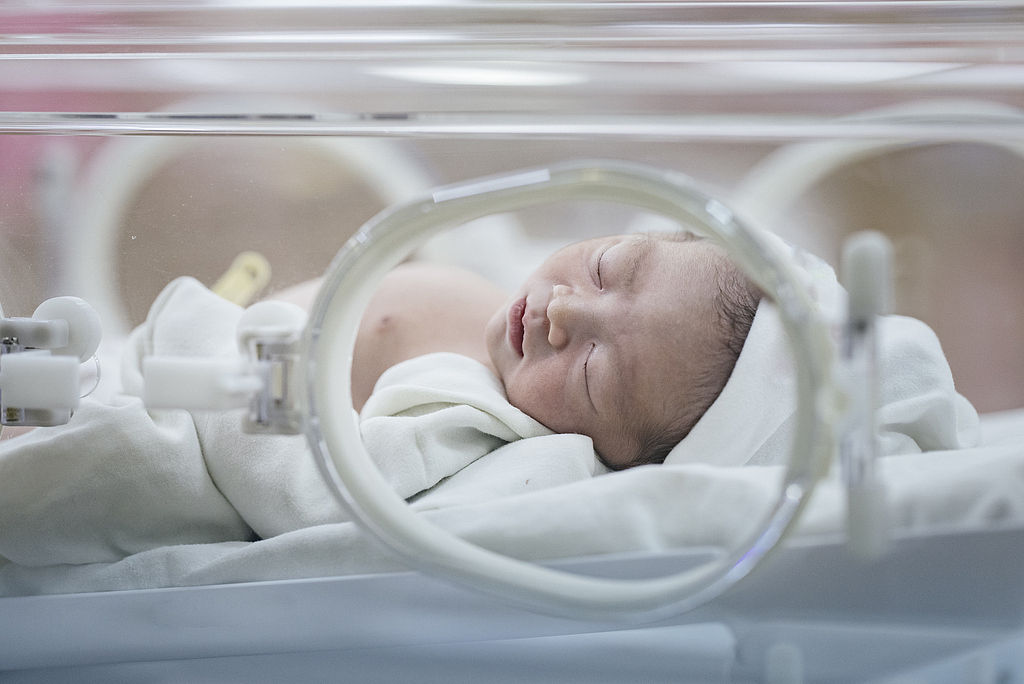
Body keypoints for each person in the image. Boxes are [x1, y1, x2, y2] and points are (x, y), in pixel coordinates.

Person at [342, 230, 761, 471]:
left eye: (590, 370)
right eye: (604, 267)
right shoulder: (495, 295)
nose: (562, 309)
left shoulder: (459, 434)